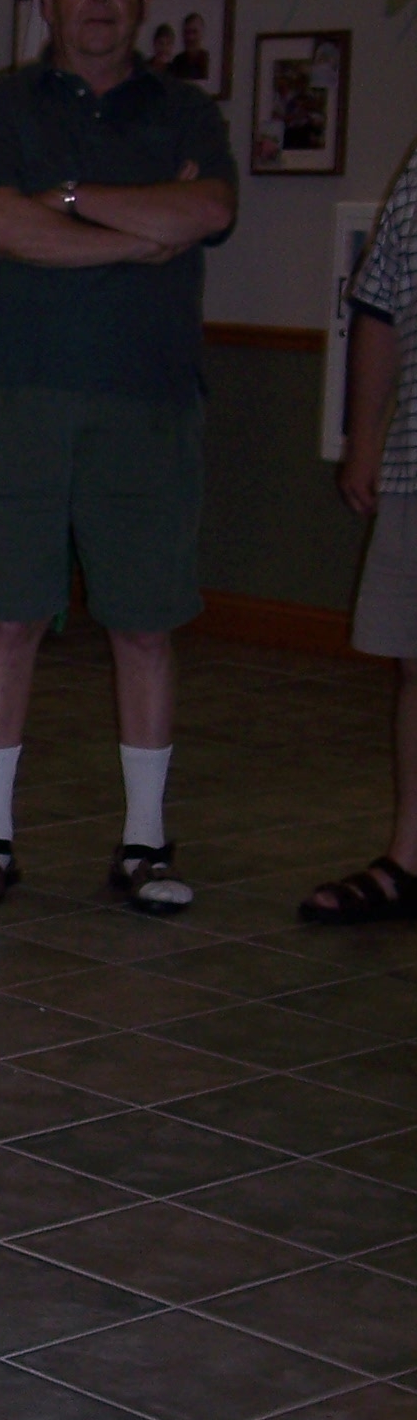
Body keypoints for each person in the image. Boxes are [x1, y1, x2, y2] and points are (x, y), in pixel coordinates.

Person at [0, 0, 237, 911]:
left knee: (145, 625)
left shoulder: (187, 112)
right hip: (17, 397)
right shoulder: (1, 106)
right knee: (9, 618)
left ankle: (146, 844)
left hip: (150, 406)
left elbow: (208, 210)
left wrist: (63, 201)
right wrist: (134, 230)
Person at [300, 150, 417, 922]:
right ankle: (409, 860)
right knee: (416, 665)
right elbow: (379, 304)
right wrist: (365, 439)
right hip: (415, 458)